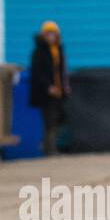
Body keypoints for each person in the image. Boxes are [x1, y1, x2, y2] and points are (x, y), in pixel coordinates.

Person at [29, 20, 71, 156]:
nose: (51, 36)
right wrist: (48, 87)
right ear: (44, 35)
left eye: (53, 34)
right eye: (48, 34)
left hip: (59, 91)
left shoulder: (58, 50)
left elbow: (62, 70)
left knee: (61, 117)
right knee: (49, 121)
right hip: (45, 93)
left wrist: (65, 86)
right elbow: (37, 72)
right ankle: (50, 149)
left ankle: (47, 145)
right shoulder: (39, 52)